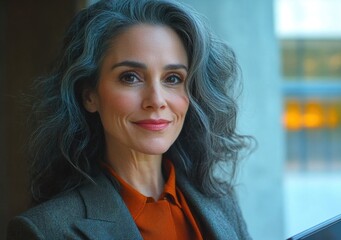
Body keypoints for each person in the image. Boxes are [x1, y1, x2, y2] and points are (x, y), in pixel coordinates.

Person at [7, 0, 254, 239]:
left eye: (173, 78)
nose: (156, 100)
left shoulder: (222, 202)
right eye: (130, 77)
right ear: (89, 95)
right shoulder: (44, 231)